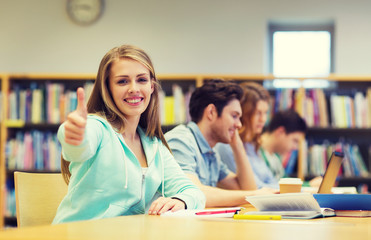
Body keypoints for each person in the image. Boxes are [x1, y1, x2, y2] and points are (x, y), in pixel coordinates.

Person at [53, 45, 205, 224]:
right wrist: (73, 135)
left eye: (141, 80)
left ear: (152, 87)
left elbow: (194, 192)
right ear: (107, 89)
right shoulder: (98, 127)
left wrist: (180, 201)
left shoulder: (154, 145)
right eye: (122, 81)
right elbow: (80, 147)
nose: (134, 88)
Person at [165, 79, 276, 208]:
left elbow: (245, 188)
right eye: (234, 116)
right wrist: (254, 195)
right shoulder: (181, 141)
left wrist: (238, 147)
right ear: (211, 112)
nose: (239, 125)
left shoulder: (211, 153)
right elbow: (192, 194)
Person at [215, 82, 279, 189]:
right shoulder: (227, 146)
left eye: (265, 113)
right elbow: (255, 187)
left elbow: (271, 180)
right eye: (258, 113)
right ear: (244, 113)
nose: (263, 119)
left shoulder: (252, 145)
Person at [260, 109, 322, 187]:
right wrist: (309, 185)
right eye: (295, 141)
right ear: (280, 132)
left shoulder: (275, 156)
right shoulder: (255, 153)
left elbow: (283, 182)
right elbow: (272, 187)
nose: (295, 148)